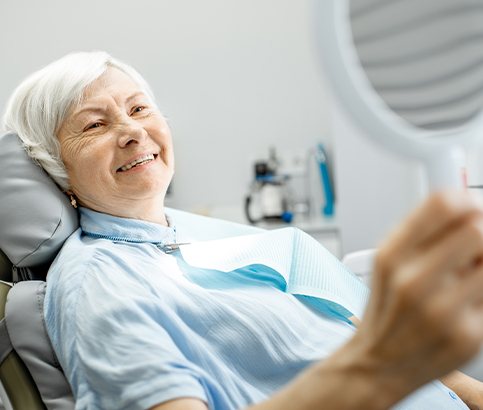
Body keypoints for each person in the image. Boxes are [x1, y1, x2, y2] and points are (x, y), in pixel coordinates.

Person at [3, 51, 483, 410]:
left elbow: (400, 355)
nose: (132, 132)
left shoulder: (201, 236)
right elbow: (383, 355)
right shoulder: (99, 282)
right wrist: (378, 363)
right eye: (94, 125)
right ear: (55, 168)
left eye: (140, 109)